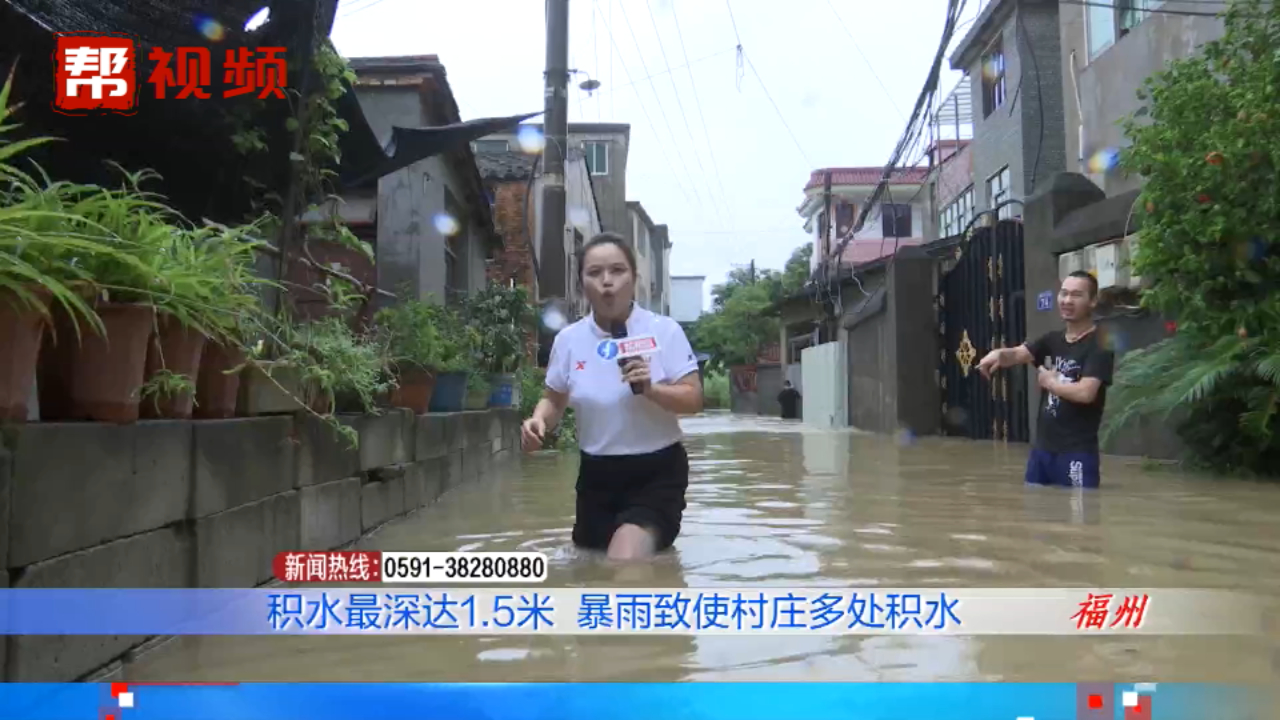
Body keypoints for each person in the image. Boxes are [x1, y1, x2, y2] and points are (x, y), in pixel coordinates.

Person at [521, 232, 704, 561]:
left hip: (657, 472)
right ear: (581, 284)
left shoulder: (664, 331)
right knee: (589, 563)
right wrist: (538, 421)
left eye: (617, 271)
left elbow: (693, 399)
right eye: (594, 273)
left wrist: (652, 389)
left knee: (624, 556)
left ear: (634, 278)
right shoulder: (569, 340)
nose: (607, 282)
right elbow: (553, 398)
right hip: (596, 476)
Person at [976, 271, 1115, 488]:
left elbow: (1086, 393)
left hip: (1076, 454)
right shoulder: (1052, 340)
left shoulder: (1100, 345)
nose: (1068, 300)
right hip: (1041, 453)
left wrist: (1050, 383)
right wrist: (998, 355)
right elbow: (1018, 353)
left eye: (1077, 295)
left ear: (1093, 301)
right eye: (1064, 293)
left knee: (1081, 516)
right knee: (1037, 512)